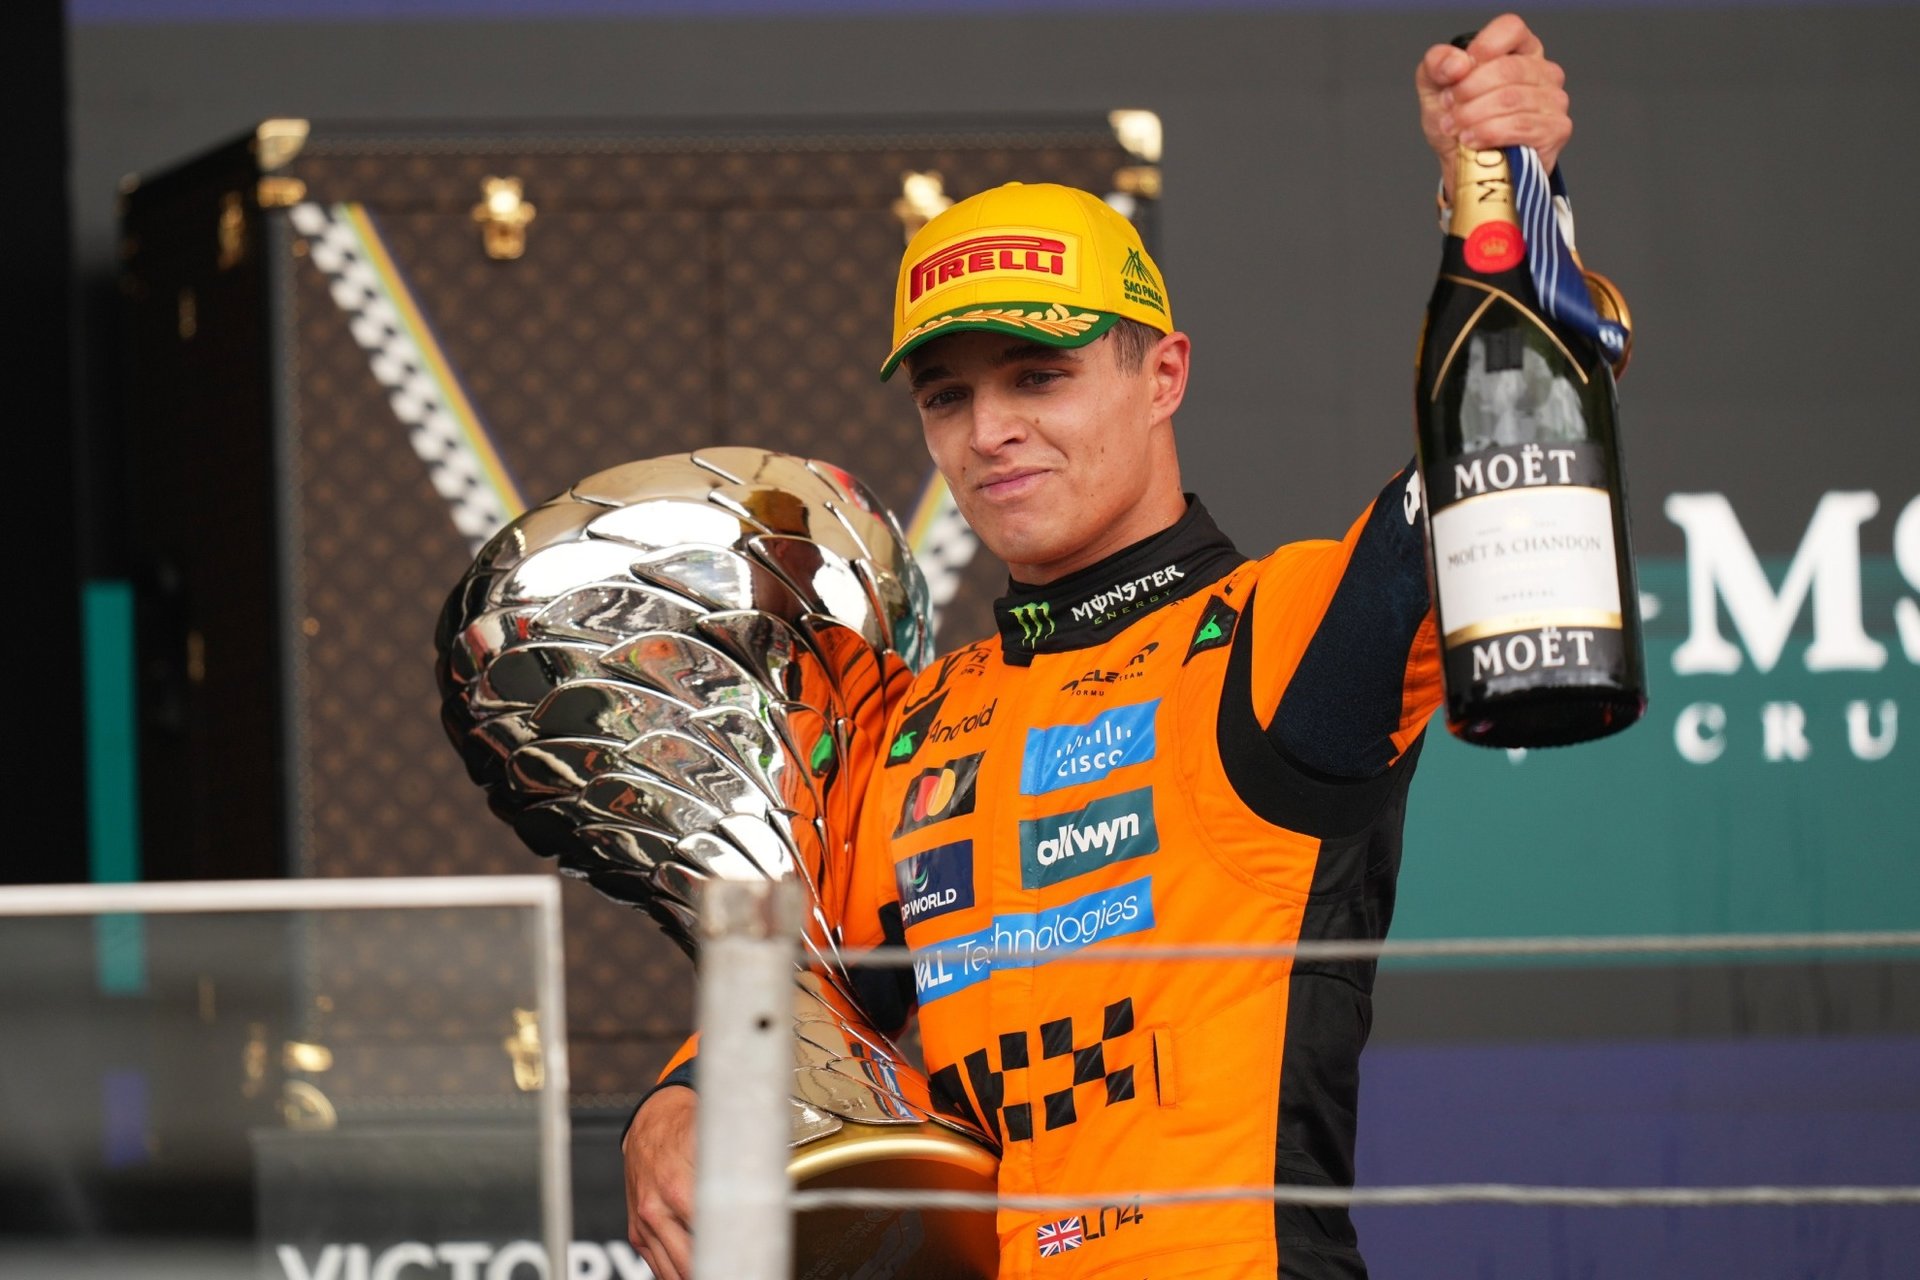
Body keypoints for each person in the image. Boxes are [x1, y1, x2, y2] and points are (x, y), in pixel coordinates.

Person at [625, 15, 1577, 1278]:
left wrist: (1509, 192)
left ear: (1163, 374)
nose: (989, 431)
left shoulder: (1279, 632)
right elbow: (810, 999)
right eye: (949, 396)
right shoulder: (915, 729)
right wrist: (677, 1096)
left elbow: (1490, 458)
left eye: (1039, 376)